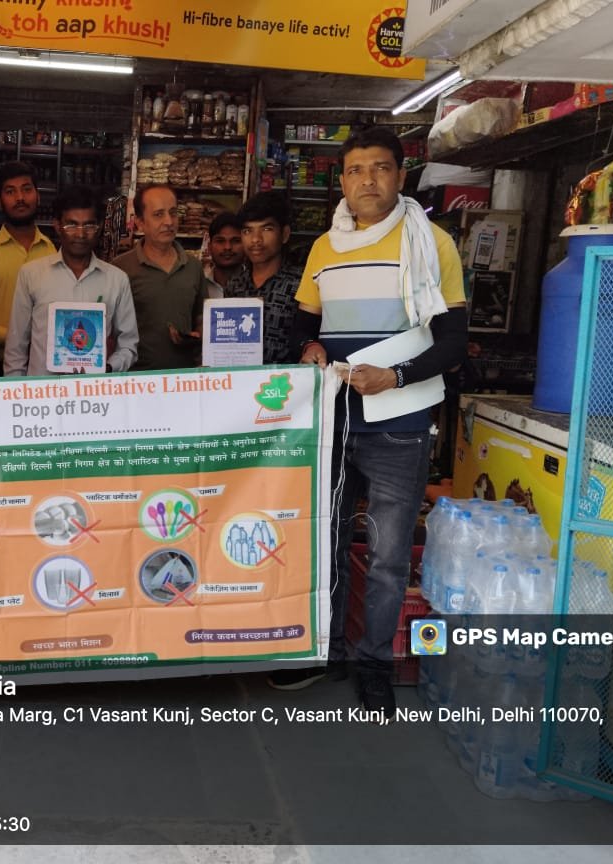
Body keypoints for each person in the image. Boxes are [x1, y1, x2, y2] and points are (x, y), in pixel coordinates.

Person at [272, 126, 468, 717]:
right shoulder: (323, 247)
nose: (368, 181)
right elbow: (303, 323)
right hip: (333, 416)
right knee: (324, 540)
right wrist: (307, 347)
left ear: (400, 176)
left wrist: (398, 376)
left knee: (384, 554)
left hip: (399, 423)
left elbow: (453, 340)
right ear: (342, 180)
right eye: (356, 170)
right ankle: (324, 651)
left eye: (381, 169)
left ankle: (374, 662)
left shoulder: (431, 243)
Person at [4, 186, 138, 376]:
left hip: (92, 398)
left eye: (89, 225)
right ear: (57, 226)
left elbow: (129, 345)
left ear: (99, 226)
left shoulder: (117, 280)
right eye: (71, 225)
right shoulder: (32, 274)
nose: (81, 234)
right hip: (42, 398)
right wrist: (16, 395)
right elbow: (16, 347)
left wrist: (107, 367)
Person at [111, 184, 207, 370]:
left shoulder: (193, 266)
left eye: (173, 213)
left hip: (184, 379)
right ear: (139, 222)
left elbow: (201, 318)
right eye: (158, 214)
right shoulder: (121, 268)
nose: (169, 222)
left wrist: (196, 336)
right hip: (136, 380)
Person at [0, 161, 57, 375]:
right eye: (10, 191)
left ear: (38, 196)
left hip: (44, 369)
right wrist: (19, 336)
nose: (20, 198)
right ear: (0, 202)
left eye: (27, 189)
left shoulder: (55, 251)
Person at [223, 190, 304, 364]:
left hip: (285, 386)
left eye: (266, 229)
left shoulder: (302, 284)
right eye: (247, 231)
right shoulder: (235, 285)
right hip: (241, 384)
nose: (255, 240)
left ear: (284, 234)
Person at [204, 211, 244, 299]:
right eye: (220, 241)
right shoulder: (199, 284)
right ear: (209, 246)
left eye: (236, 241)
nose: (227, 247)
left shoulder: (256, 286)